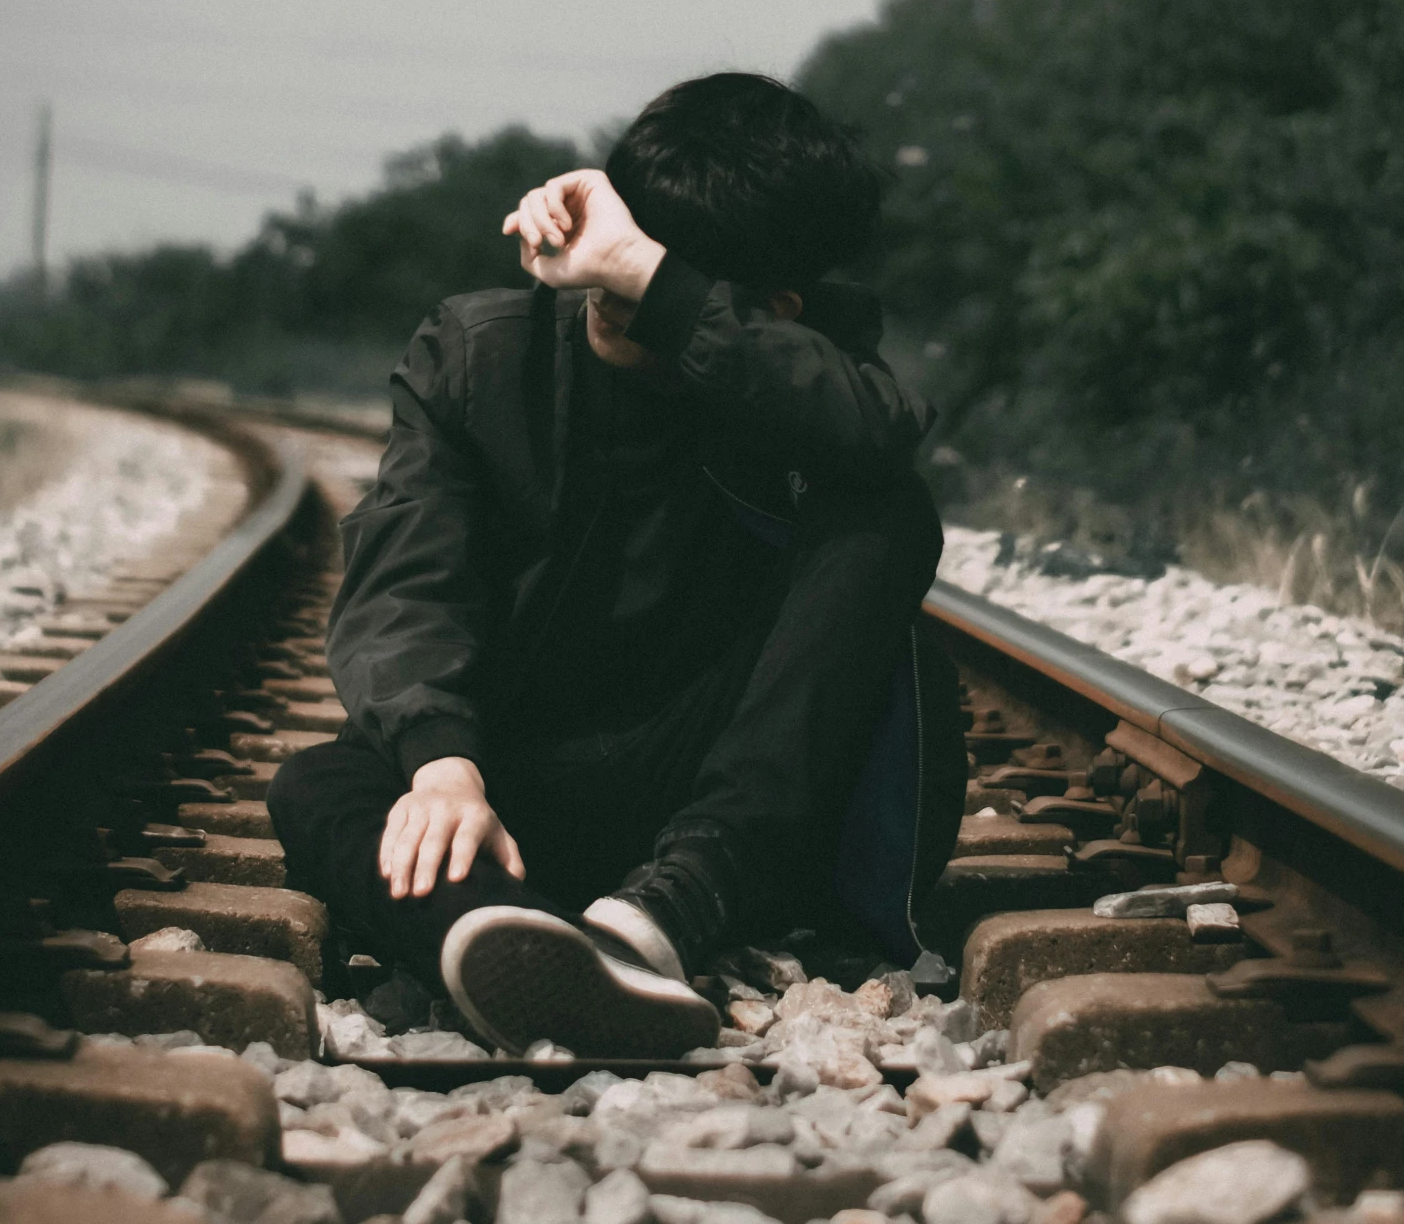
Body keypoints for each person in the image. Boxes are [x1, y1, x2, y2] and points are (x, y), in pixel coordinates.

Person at [269, 73, 966, 1057]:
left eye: (640, 275)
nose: (608, 293)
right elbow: (404, 579)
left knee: (885, 514)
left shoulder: (790, 378)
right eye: (619, 249)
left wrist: (669, 292)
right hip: (516, 781)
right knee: (317, 786)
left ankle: (660, 920)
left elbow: (882, 433)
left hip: (716, 807)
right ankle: (510, 938)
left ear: (771, 307)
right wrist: (445, 770)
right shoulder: (482, 354)